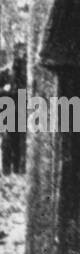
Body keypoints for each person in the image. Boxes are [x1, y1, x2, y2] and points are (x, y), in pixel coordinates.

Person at [0, 41, 27, 176]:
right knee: (8, 140)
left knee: (17, 143)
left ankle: (16, 170)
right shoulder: (7, 72)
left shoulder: (27, 73)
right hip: (9, 110)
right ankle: (7, 170)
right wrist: (5, 92)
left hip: (22, 111)